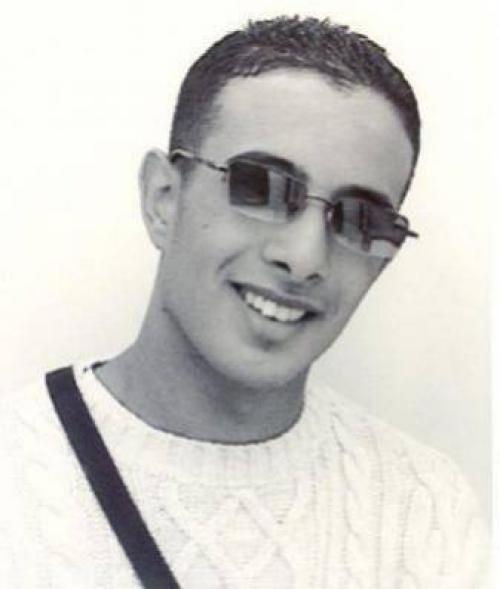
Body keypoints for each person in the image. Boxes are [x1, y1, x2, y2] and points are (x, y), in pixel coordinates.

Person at [0, 15, 488, 588]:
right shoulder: (18, 475)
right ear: (163, 198)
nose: (304, 256)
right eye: (261, 187)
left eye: (360, 219)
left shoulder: (425, 512)